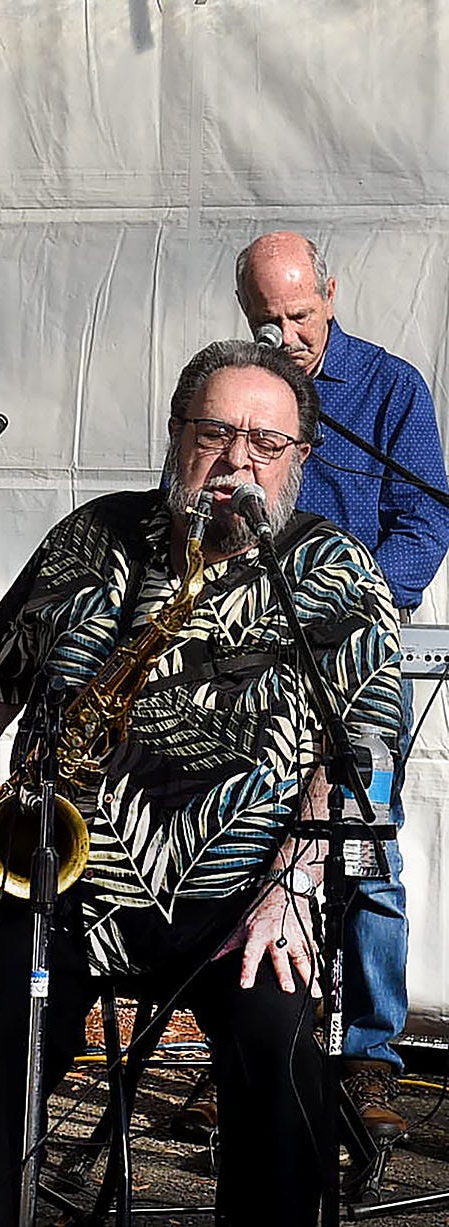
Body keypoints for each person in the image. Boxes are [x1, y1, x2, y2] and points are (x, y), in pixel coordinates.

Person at [0, 340, 404, 1225]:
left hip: (247, 899)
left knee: (281, 1049)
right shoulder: (90, 534)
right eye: (216, 433)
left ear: (301, 459)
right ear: (176, 432)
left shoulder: (333, 570)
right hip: (60, 883)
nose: (237, 461)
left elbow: (361, 754)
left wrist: (290, 888)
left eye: (267, 444)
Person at [230, 231, 449, 1138]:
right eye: (265, 320)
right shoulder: (240, 391)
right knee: (245, 843)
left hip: (355, 668)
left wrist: (349, 609)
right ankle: (251, 1039)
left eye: (300, 315)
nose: (286, 336)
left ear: (330, 291)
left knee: (363, 856)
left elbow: (426, 520)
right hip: (258, 663)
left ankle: (367, 1058)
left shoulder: (391, 388)